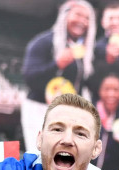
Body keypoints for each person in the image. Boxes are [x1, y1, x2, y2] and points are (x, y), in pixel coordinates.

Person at [21, 0, 98, 150]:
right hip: (40, 109)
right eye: (78, 15)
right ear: (65, 15)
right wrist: (56, 65)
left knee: (64, 155)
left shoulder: (86, 50)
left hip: (69, 111)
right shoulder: (43, 42)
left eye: (87, 18)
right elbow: (29, 77)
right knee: (40, 154)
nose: (82, 21)